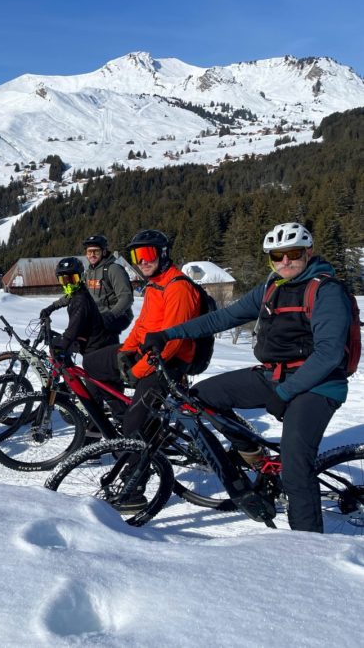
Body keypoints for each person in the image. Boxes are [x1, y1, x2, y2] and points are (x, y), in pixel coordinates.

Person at [141, 222, 351, 533]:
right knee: (201, 398)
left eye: (292, 254)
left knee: (295, 471)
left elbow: (329, 354)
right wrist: (168, 334)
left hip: (318, 385)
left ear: (308, 252)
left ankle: (308, 551)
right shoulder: (272, 287)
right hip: (275, 376)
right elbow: (223, 317)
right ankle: (255, 457)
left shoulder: (326, 291)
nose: (284, 262)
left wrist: (285, 393)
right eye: (276, 257)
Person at [82, 230, 202, 509]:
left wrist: (136, 371)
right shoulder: (154, 285)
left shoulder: (178, 287)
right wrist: (125, 351)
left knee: (134, 425)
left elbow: (172, 342)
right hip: (147, 353)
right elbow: (142, 327)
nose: (142, 261)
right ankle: (121, 414)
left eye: (148, 254)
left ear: (162, 254)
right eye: (137, 256)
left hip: (167, 363)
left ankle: (134, 490)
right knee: (92, 364)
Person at [40, 257, 118, 358]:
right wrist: (50, 308)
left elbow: (72, 332)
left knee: (58, 347)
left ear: (80, 278)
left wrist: (61, 346)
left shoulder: (80, 300)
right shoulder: (79, 291)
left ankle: (67, 372)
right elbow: (66, 299)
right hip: (92, 339)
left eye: (72, 279)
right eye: (64, 280)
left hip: (94, 345)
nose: (68, 284)